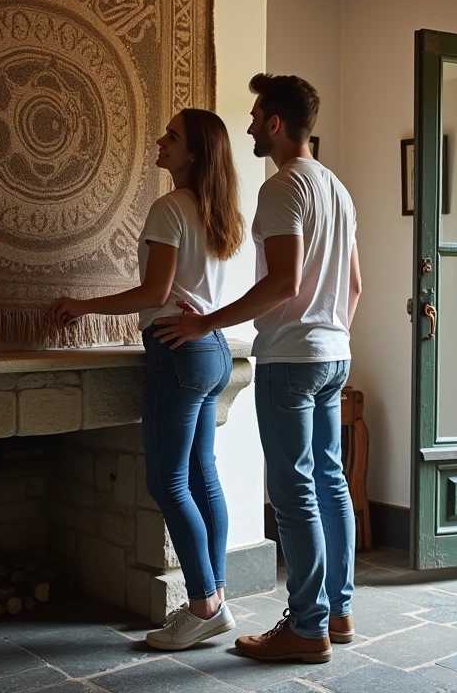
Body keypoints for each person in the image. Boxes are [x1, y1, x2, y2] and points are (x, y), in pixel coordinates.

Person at [154, 74, 361, 664]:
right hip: (334, 354)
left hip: (292, 359)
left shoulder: (281, 188)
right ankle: (337, 611)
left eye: (254, 116)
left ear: (275, 123)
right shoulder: (337, 190)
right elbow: (354, 284)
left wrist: (206, 322)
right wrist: (333, 331)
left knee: (293, 492)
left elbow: (283, 282)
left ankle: (306, 626)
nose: (247, 126)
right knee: (329, 482)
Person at [50, 109, 244, 651]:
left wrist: (83, 306)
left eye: (172, 137)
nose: (160, 141)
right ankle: (216, 601)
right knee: (202, 475)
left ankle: (205, 604)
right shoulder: (214, 210)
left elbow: (155, 295)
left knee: (167, 481)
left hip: (179, 351)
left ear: (195, 153)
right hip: (211, 350)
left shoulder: (169, 208)